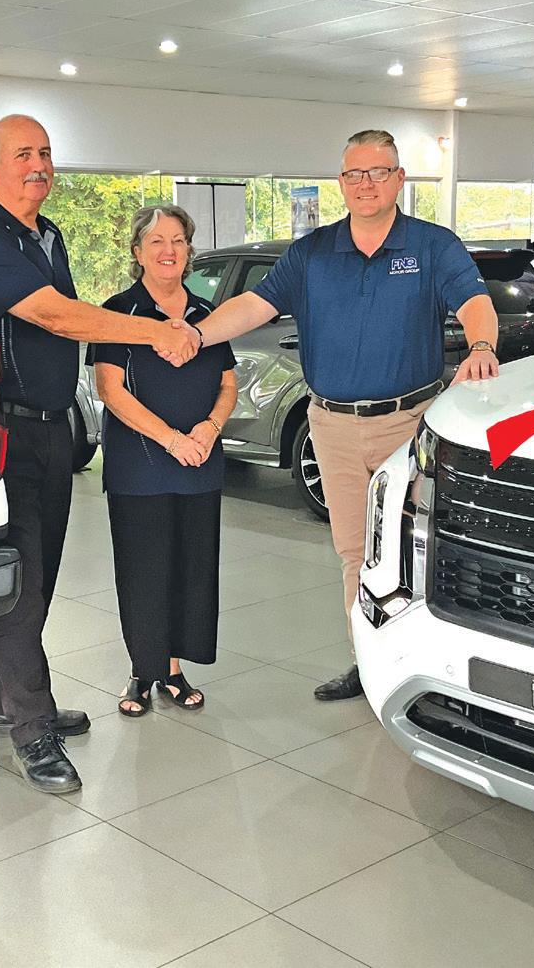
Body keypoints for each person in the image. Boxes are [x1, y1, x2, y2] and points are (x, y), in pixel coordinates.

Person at [0, 114, 201, 793]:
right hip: (3, 435)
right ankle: (33, 731)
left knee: (39, 574)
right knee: (20, 584)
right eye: (23, 154)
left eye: (46, 153)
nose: (39, 165)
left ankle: (3, 699)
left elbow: (62, 323)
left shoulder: (46, 234)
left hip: (54, 429)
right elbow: (55, 314)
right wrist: (154, 332)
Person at [191, 129, 499, 701]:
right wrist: (195, 334)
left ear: (399, 179)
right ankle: (369, 661)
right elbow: (254, 305)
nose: (366, 184)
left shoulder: (431, 245)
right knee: (354, 553)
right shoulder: (312, 253)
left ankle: (428, 668)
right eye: (355, 174)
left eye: (378, 172)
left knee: (416, 548)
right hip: (331, 426)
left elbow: (475, 302)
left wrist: (481, 345)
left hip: (408, 424)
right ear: (341, 182)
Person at [90, 205, 236, 717]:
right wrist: (173, 440)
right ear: (137, 252)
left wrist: (209, 428)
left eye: (177, 240)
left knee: (191, 569)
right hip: (140, 467)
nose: (168, 250)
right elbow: (110, 390)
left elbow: (227, 384)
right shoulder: (118, 312)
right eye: (156, 241)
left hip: (200, 462)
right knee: (143, 570)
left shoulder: (207, 315)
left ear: (189, 250)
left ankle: (172, 669)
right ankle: (142, 670)